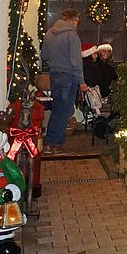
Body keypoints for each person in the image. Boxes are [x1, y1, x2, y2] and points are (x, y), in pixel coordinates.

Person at [39, 9, 87, 153]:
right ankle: (56, 144)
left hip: (54, 75)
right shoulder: (72, 35)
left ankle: (49, 143)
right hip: (68, 76)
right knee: (65, 111)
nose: (77, 24)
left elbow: (44, 55)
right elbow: (76, 61)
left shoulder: (50, 33)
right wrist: (82, 81)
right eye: (77, 21)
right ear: (73, 20)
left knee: (57, 109)